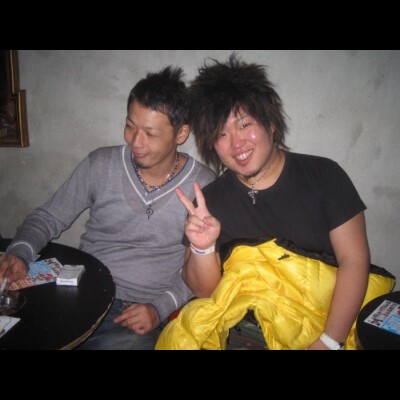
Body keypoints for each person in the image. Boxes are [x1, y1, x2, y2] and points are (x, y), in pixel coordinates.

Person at [156, 54, 395, 350]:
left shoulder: (324, 176)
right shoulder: (210, 201)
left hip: (326, 325)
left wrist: (329, 342)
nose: (236, 143)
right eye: (221, 134)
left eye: (245, 124)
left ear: (270, 122)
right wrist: (203, 248)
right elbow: (206, 293)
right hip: (246, 332)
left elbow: (354, 261)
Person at [0, 66, 215, 350]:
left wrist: (160, 308)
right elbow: (48, 216)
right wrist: (20, 252)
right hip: (81, 289)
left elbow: (200, 273)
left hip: (137, 308)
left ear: (181, 133)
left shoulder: (202, 186)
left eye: (150, 133)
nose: (135, 141)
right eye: (130, 126)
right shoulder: (101, 164)